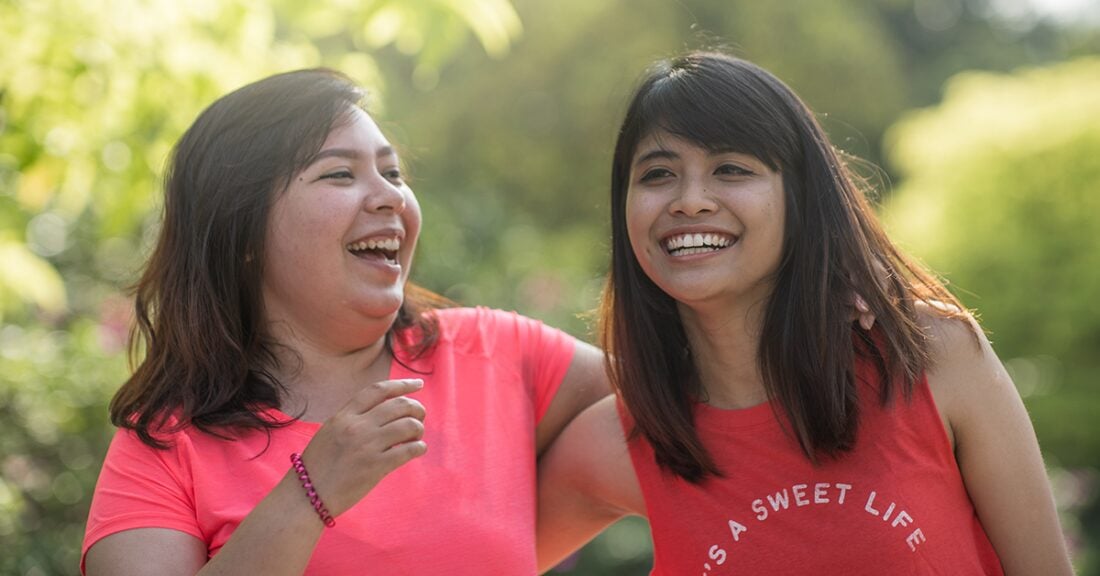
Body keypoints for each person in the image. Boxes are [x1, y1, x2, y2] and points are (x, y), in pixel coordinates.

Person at [536, 51, 1074, 575]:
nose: (690, 200)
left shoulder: (929, 355)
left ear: (801, 198)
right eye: (656, 174)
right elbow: (469, 548)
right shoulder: (621, 438)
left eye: (730, 168)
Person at [81, 68, 611, 575]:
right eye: (340, 173)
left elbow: (677, 408)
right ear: (240, 232)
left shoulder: (497, 353)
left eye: (394, 172)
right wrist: (309, 493)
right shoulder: (167, 446)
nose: (390, 196)